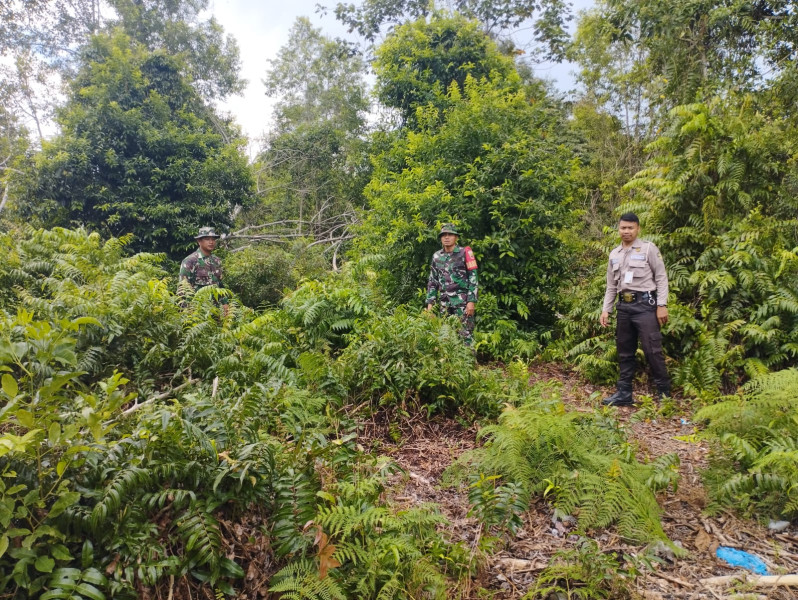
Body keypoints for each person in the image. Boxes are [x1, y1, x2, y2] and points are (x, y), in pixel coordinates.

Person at [599, 213, 670, 406]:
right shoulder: (614, 254)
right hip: (624, 306)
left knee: (652, 349)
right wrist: (607, 309)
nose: (626, 231)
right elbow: (611, 285)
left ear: (638, 228)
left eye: (630, 228)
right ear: (618, 229)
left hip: (645, 305)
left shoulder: (648, 249)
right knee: (624, 350)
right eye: (623, 228)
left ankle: (664, 394)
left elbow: (661, 277)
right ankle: (624, 393)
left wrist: (661, 305)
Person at [425, 223, 478, 343]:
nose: (447, 237)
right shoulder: (437, 256)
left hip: (462, 303)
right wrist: (430, 305)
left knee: (466, 334)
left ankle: (468, 360)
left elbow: (473, 278)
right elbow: (433, 281)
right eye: (444, 235)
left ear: (456, 237)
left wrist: (471, 301)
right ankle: (450, 362)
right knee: (447, 335)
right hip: (445, 303)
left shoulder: (465, 253)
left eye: (450, 235)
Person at [179, 227, 229, 312]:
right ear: (199, 241)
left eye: (213, 239)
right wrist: (187, 313)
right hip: (197, 312)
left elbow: (220, 285)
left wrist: (225, 304)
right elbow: (183, 290)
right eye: (207, 239)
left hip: (216, 312)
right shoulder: (190, 261)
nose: (211, 242)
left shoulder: (216, 261)